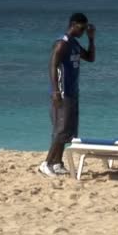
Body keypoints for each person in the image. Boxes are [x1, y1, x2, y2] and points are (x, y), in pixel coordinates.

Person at [40, 12, 96, 177]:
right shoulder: (62, 43)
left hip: (73, 92)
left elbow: (91, 58)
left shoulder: (75, 44)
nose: (83, 31)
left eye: (85, 28)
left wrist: (91, 39)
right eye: (82, 27)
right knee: (60, 130)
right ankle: (47, 163)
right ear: (73, 24)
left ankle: (57, 163)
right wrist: (55, 90)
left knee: (67, 131)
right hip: (62, 92)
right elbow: (52, 66)